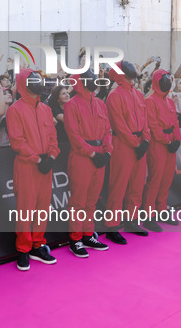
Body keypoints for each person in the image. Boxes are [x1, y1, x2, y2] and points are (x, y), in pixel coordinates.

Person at [6, 69, 60, 271]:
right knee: (25, 209)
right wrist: (39, 159)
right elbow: (17, 142)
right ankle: (23, 250)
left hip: (46, 165)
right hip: (28, 166)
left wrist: (52, 157)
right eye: (33, 80)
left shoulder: (46, 109)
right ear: (24, 84)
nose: (38, 82)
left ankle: (38, 245)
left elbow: (53, 137)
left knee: (43, 208)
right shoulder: (15, 110)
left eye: (39, 79)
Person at [63, 71, 112, 258]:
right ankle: (75, 239)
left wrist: (107, 151)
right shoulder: (71, 105)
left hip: (100, 155)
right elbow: (74, 136)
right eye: (89, 79)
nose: (94, 81)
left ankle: (88, 235)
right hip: (82, 158)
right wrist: (92, 153)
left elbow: (108, 129)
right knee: (78, 201)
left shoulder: (100, 104)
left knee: (92, 200)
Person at [105, 61, 151, 244]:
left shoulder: (138, 94)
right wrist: (136, 143)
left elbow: (145, 118)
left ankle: (131, 220)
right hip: (124, 145)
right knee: (118, 186)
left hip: (139, 143)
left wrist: (146, 139)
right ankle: (112, 226)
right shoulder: (114, 96)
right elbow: (119, 125)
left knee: (137, 185)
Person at [141, 70, 181, 230]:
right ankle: (149, 216)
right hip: (158, 145)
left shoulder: (170, 101)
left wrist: (177, 139)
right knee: (155, 180)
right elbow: (153, 125)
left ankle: (162, 210)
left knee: (166, 180)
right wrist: (167, 141)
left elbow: (175, 122)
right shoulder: (150, 101)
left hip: (170, 143)